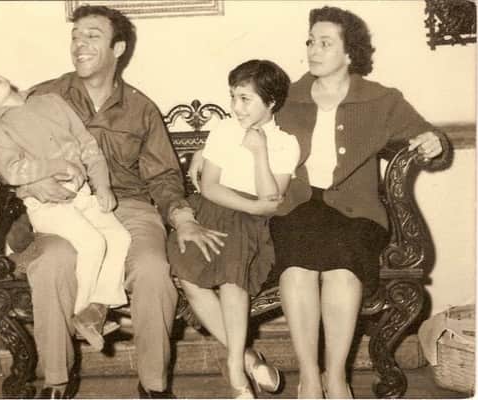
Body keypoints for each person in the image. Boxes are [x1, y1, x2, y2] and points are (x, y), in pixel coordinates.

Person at [0, 5, 226, 398]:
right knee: (52, 265)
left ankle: (154, 387)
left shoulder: (141, 108)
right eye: (75, 36)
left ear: (118, 48)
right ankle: (57, 382)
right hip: (63, 206)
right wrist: (30, 183)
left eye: (92, 36)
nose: (79, 44)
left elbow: (164, 177)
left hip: (129, 206)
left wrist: (182, 216)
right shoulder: (44, 96)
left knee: (152, 270)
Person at [188, 6, 447, 399]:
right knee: (297, 273)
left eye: (325, 43)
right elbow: (243, 120)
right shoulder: (288, 96)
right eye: (310, 41)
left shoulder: (382, 100)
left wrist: (434, 142)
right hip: (297, 205)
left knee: (343, 275)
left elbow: (429, 139)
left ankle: (336, 378)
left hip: (356, 210)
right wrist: (202, 154)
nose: (313, 49)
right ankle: (309, 379)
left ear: (350, 52)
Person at [0, 69, 131, 352]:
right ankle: (82, 312)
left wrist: (102, 184)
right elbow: (13, 170)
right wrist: (58, 166)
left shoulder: (51, 102)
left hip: (83, 195)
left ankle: (96, 307)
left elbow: (87, 144)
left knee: (120, 237)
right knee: (93, 243)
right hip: (47, 206)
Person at [167, 59, 298, 398]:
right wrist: (254, 206)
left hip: (249, 225)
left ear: (271, 102)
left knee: (232, 277)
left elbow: (271, 197)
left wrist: (259, 153)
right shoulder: (224, 130)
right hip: (211, 211)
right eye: (233, 97)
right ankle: (247, 359)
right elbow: (210, 186)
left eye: (245, 99)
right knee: (188, 274)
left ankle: (236, 371)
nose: (235, 107)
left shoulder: (285, 143)